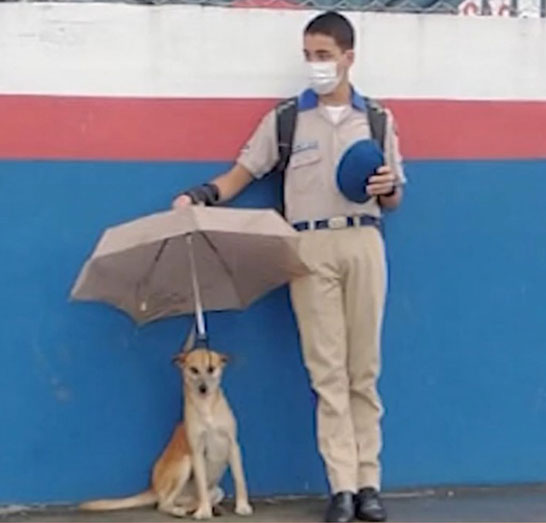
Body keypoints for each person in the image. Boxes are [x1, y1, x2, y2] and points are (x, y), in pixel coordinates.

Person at [172, 10, 406, 523]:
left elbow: (395, 198)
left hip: (363, 240)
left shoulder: (379, 119)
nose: (315, 66)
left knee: (363, 372)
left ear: (349, 57)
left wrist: (388, 189)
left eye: (324, 56)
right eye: (308, 56)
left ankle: (370, 484)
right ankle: (341, 487)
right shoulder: (286, 119)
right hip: (307, 248)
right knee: (327, 373)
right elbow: (243, 172)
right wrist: (201, 195)